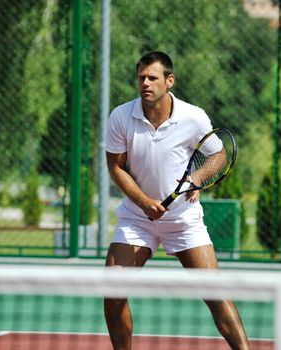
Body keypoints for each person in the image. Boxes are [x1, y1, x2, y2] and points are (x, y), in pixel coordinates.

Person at [103, 51, 250, 350]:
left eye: (153, 78)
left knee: (216, 295)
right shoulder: (121, 116)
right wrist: (144, 202)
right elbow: (116, 166)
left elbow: (218, 154)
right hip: (137, 219)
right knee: (112, 291)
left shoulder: (193, 117)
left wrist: (196, 180)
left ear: (169, 81)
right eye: (141, 77)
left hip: (184, 220)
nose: (145, 83)